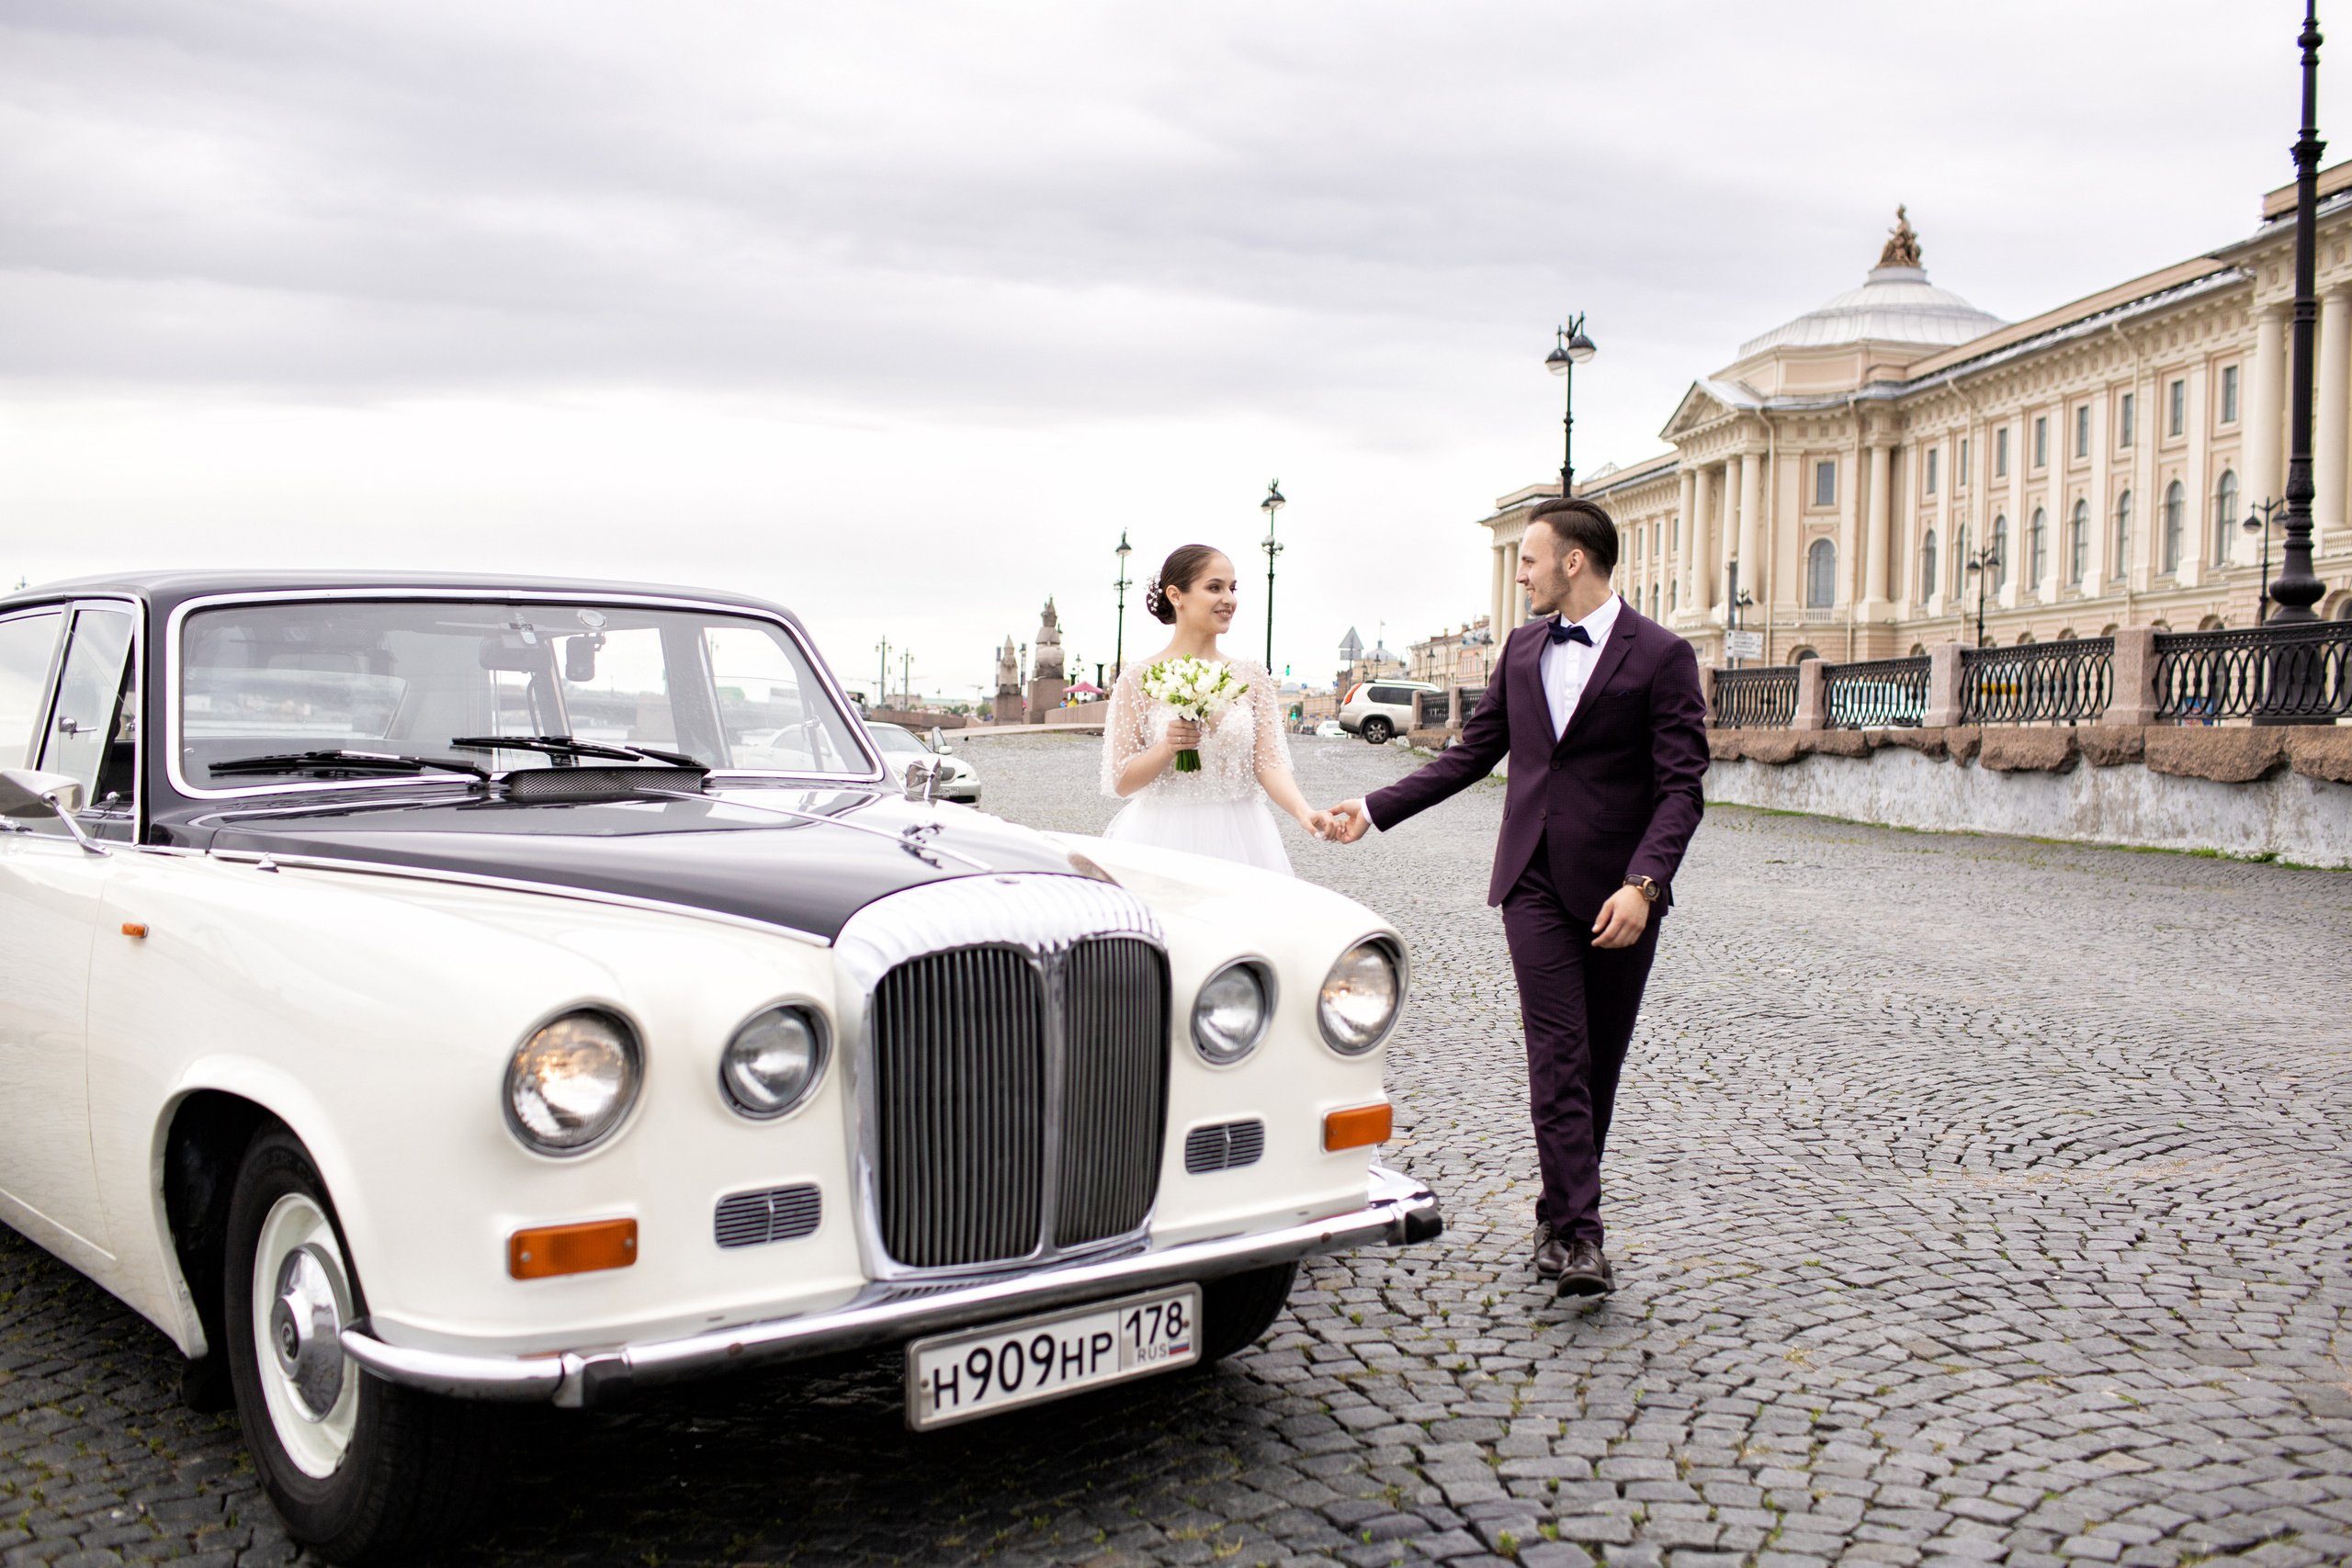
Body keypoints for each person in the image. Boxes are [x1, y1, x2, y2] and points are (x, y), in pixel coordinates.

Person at [1325, 498, 1707, 1297]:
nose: (1521, 572)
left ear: (1574, 561)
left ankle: (1556, 1210)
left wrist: (1644, 885)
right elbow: (1470, 756)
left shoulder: (1663, 657)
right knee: (1558, 1056)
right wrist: (1372, 807)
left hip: (1620, 892)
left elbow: (1681, 791)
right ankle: (1581, 1237)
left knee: (1597, 1066)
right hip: (1530, 880)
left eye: (1530, 559)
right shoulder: (1523, 647)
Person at [1101, 545, 1333, 872]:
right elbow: (1121, 780)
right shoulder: (1137, 678)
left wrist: (1303, 811)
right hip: (1161, 839)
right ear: (1176, 595)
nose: (1229, 599)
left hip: (1241, 835)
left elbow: (1269, 764)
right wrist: (1168, 747)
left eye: (1232, 588)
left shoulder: (1251, 677)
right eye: (1215, 587)